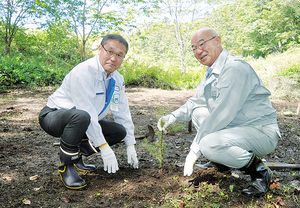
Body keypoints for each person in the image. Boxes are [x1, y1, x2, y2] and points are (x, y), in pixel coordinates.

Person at [157, 28, 281, 197]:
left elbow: (222, 113)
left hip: (259, 131)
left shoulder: (235, 68)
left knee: (208, 144)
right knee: (199, 113)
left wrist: (195, 149)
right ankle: (222, 162)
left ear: (218, 41)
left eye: (202, 44)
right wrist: (172, 116)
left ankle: (260, 173)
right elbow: (196, 102)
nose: (198, 51)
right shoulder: (212, 73)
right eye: (193, 48)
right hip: (238, 128)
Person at [39, 34, 138, 190]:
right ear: (100, 48)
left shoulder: (117, 79)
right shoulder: (84, 72)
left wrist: (130, 144)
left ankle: (77, 154)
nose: (113, 58)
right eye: (110, 51)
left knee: (119, 131)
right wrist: (104, 147)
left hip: (83, 120)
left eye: (119, 55)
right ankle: (67, 166)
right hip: (54, 116)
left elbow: (121, 111)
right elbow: (86, 112)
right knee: (81, 116)